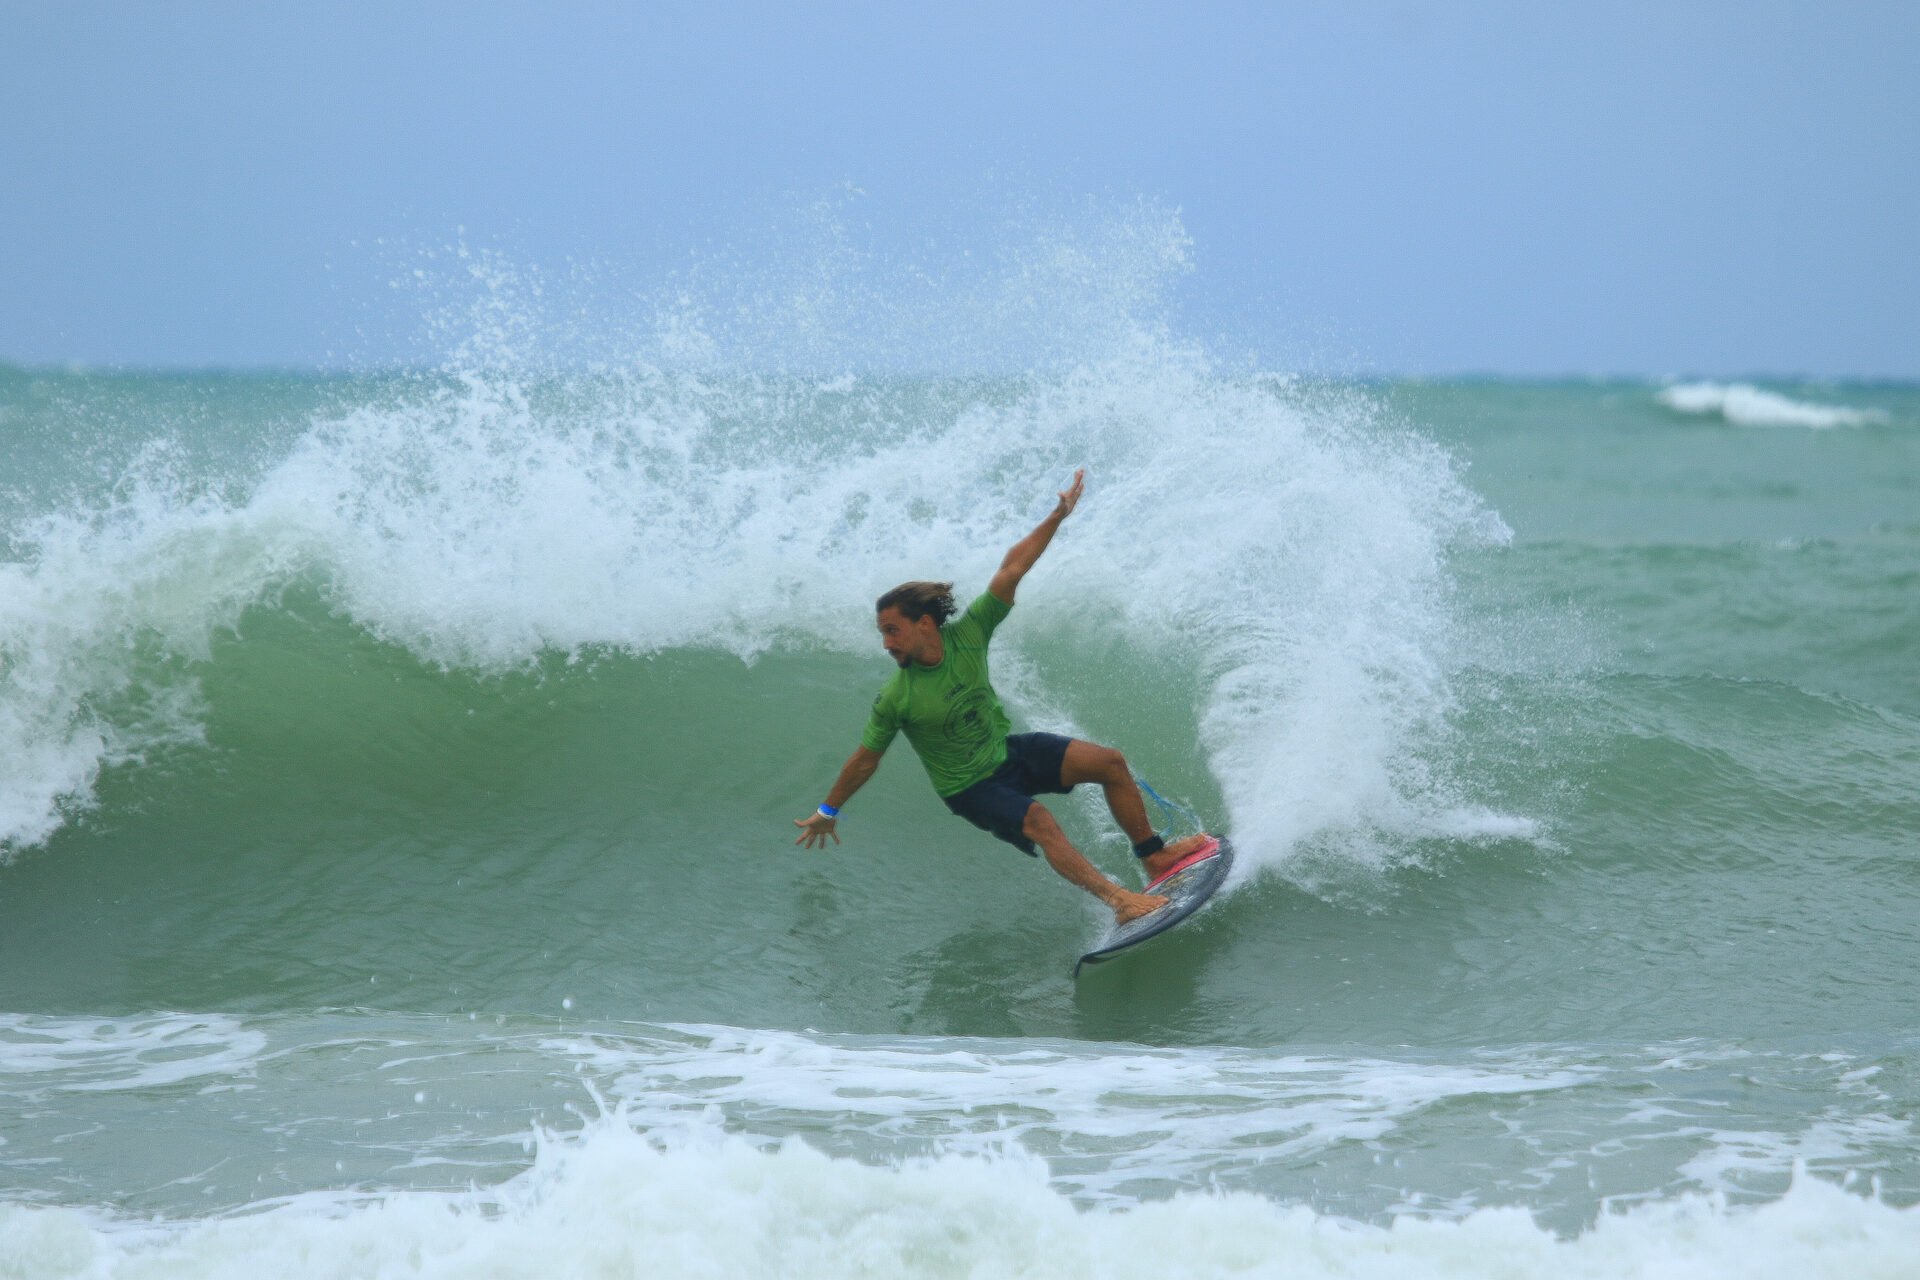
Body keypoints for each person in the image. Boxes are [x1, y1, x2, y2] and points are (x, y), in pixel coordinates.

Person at [792, 470, 1212, 924]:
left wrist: (1057, 515)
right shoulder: (898, 696)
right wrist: (826, 811)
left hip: (1006, 753)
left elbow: (1012, 567)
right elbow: (865, 759)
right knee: (1042, 823)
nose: (887, 644)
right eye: (883, 634)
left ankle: (1154, 857)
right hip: (970, 788)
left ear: (925, 625)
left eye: (892, 631)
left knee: (1109, 762)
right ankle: (1120, 902)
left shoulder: (970, 634)